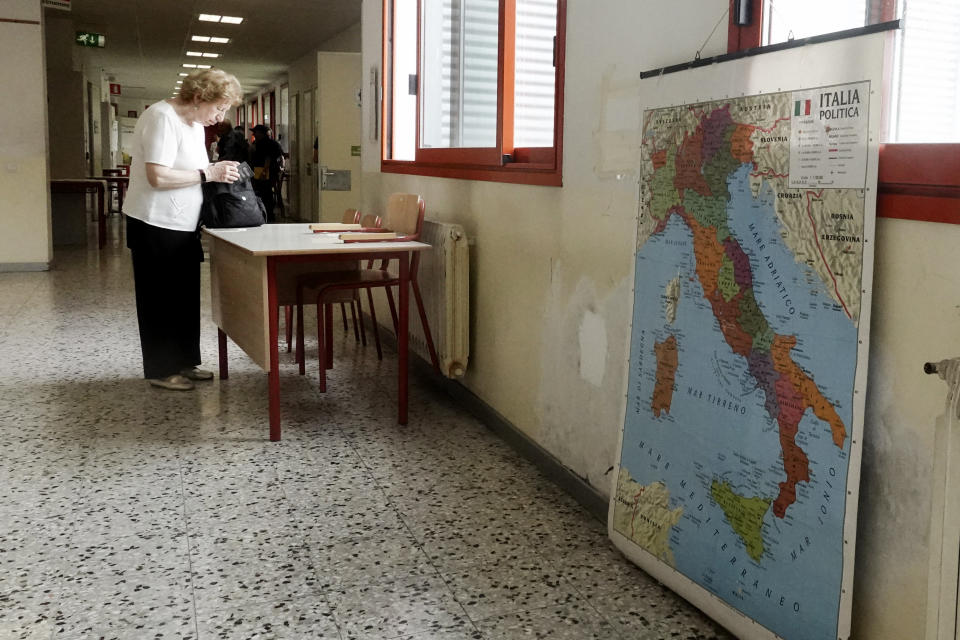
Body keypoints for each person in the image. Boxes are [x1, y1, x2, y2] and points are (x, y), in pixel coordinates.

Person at [122, 68, 242, 391]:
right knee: (159, 299)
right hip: (154, 224)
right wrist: (209, 174)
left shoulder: (192, 124)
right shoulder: (162, 117)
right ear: (200, 97)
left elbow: (193, 170)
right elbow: (157, 177)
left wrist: (213, 176)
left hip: (182, 225)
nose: (219, 117)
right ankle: (161, 369)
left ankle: (185, 362)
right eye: (218, 108)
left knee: (185, 297)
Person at [249, 124, 283, 222]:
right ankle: (268, 214)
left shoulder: (263, 143)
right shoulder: (272, 143)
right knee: (266, 193)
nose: (254, 134)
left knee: (264, 193)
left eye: (255, 132)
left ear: (261, 133)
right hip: (267, 171)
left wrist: (264, 171)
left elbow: (267, 158)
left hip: (263, 171)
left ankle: (266, 215)